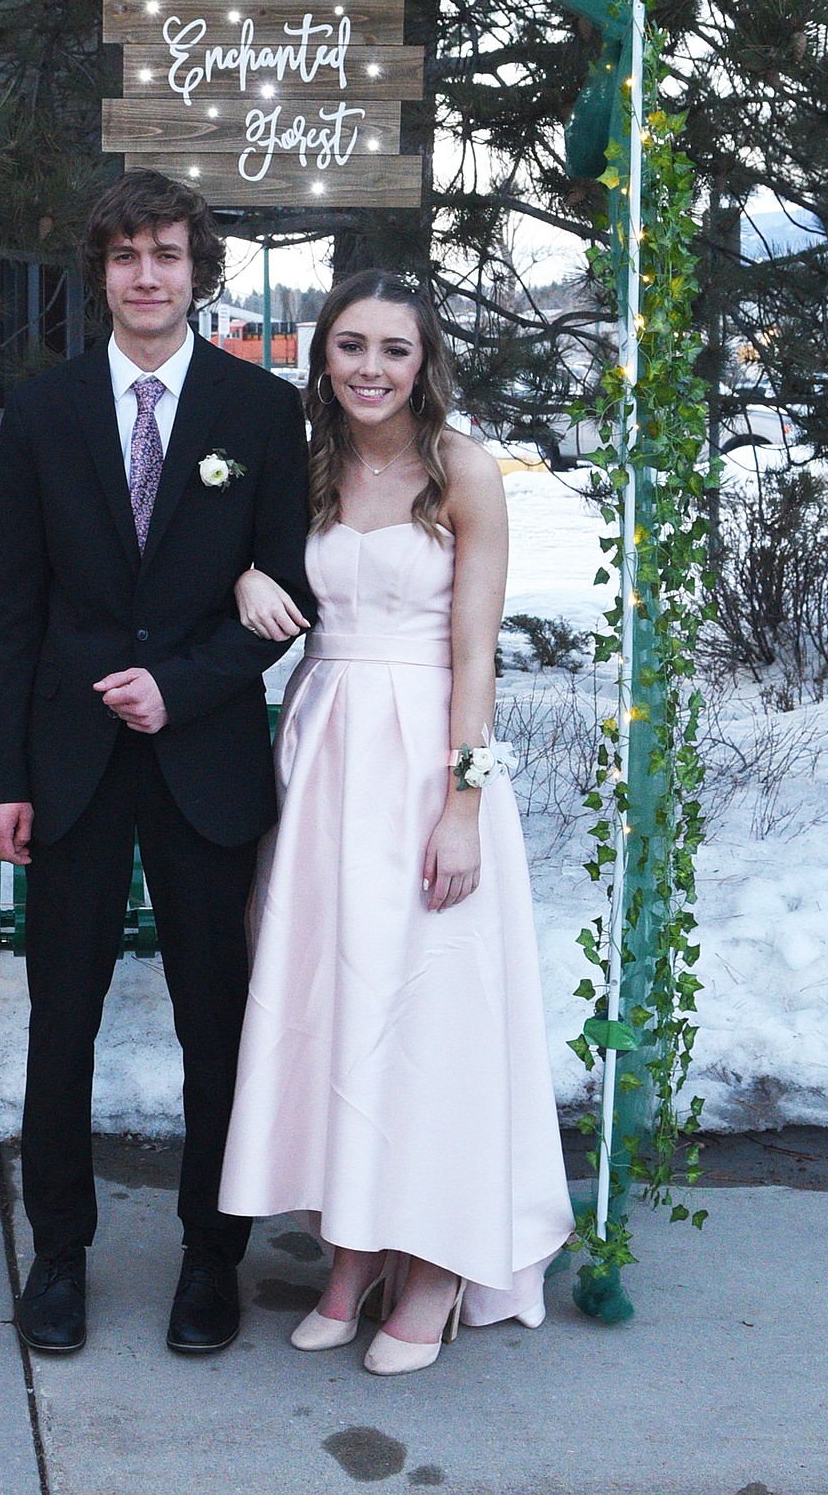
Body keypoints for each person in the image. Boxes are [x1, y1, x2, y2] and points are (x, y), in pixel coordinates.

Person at [0, 170, 315, 1358]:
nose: (147, 274)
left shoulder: (262, 414)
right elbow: (12, 607)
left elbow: (289, 596)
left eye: (167, 253)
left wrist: (184, 682)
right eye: (124, 255)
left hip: (203, 760)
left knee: (214, 1019)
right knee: (59, 1016)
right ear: (100, 271)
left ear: (198, 268)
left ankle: (211, 1257)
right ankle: (57, 1251)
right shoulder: (47, 408)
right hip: (67, 763)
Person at [218, 270, 574, 1376]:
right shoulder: (307, 461)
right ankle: (352, 1243)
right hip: (322, 752)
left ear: (426, 362)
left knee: (428, 1011)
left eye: (395, 350)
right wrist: (239, 575)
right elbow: (216, 547)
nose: (371, 367)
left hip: (424, 753)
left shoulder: (462, 470)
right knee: (334, 1000)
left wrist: (463, 801)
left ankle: (436, 1262)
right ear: (322, 353)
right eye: (351, 345)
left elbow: (479, 655)